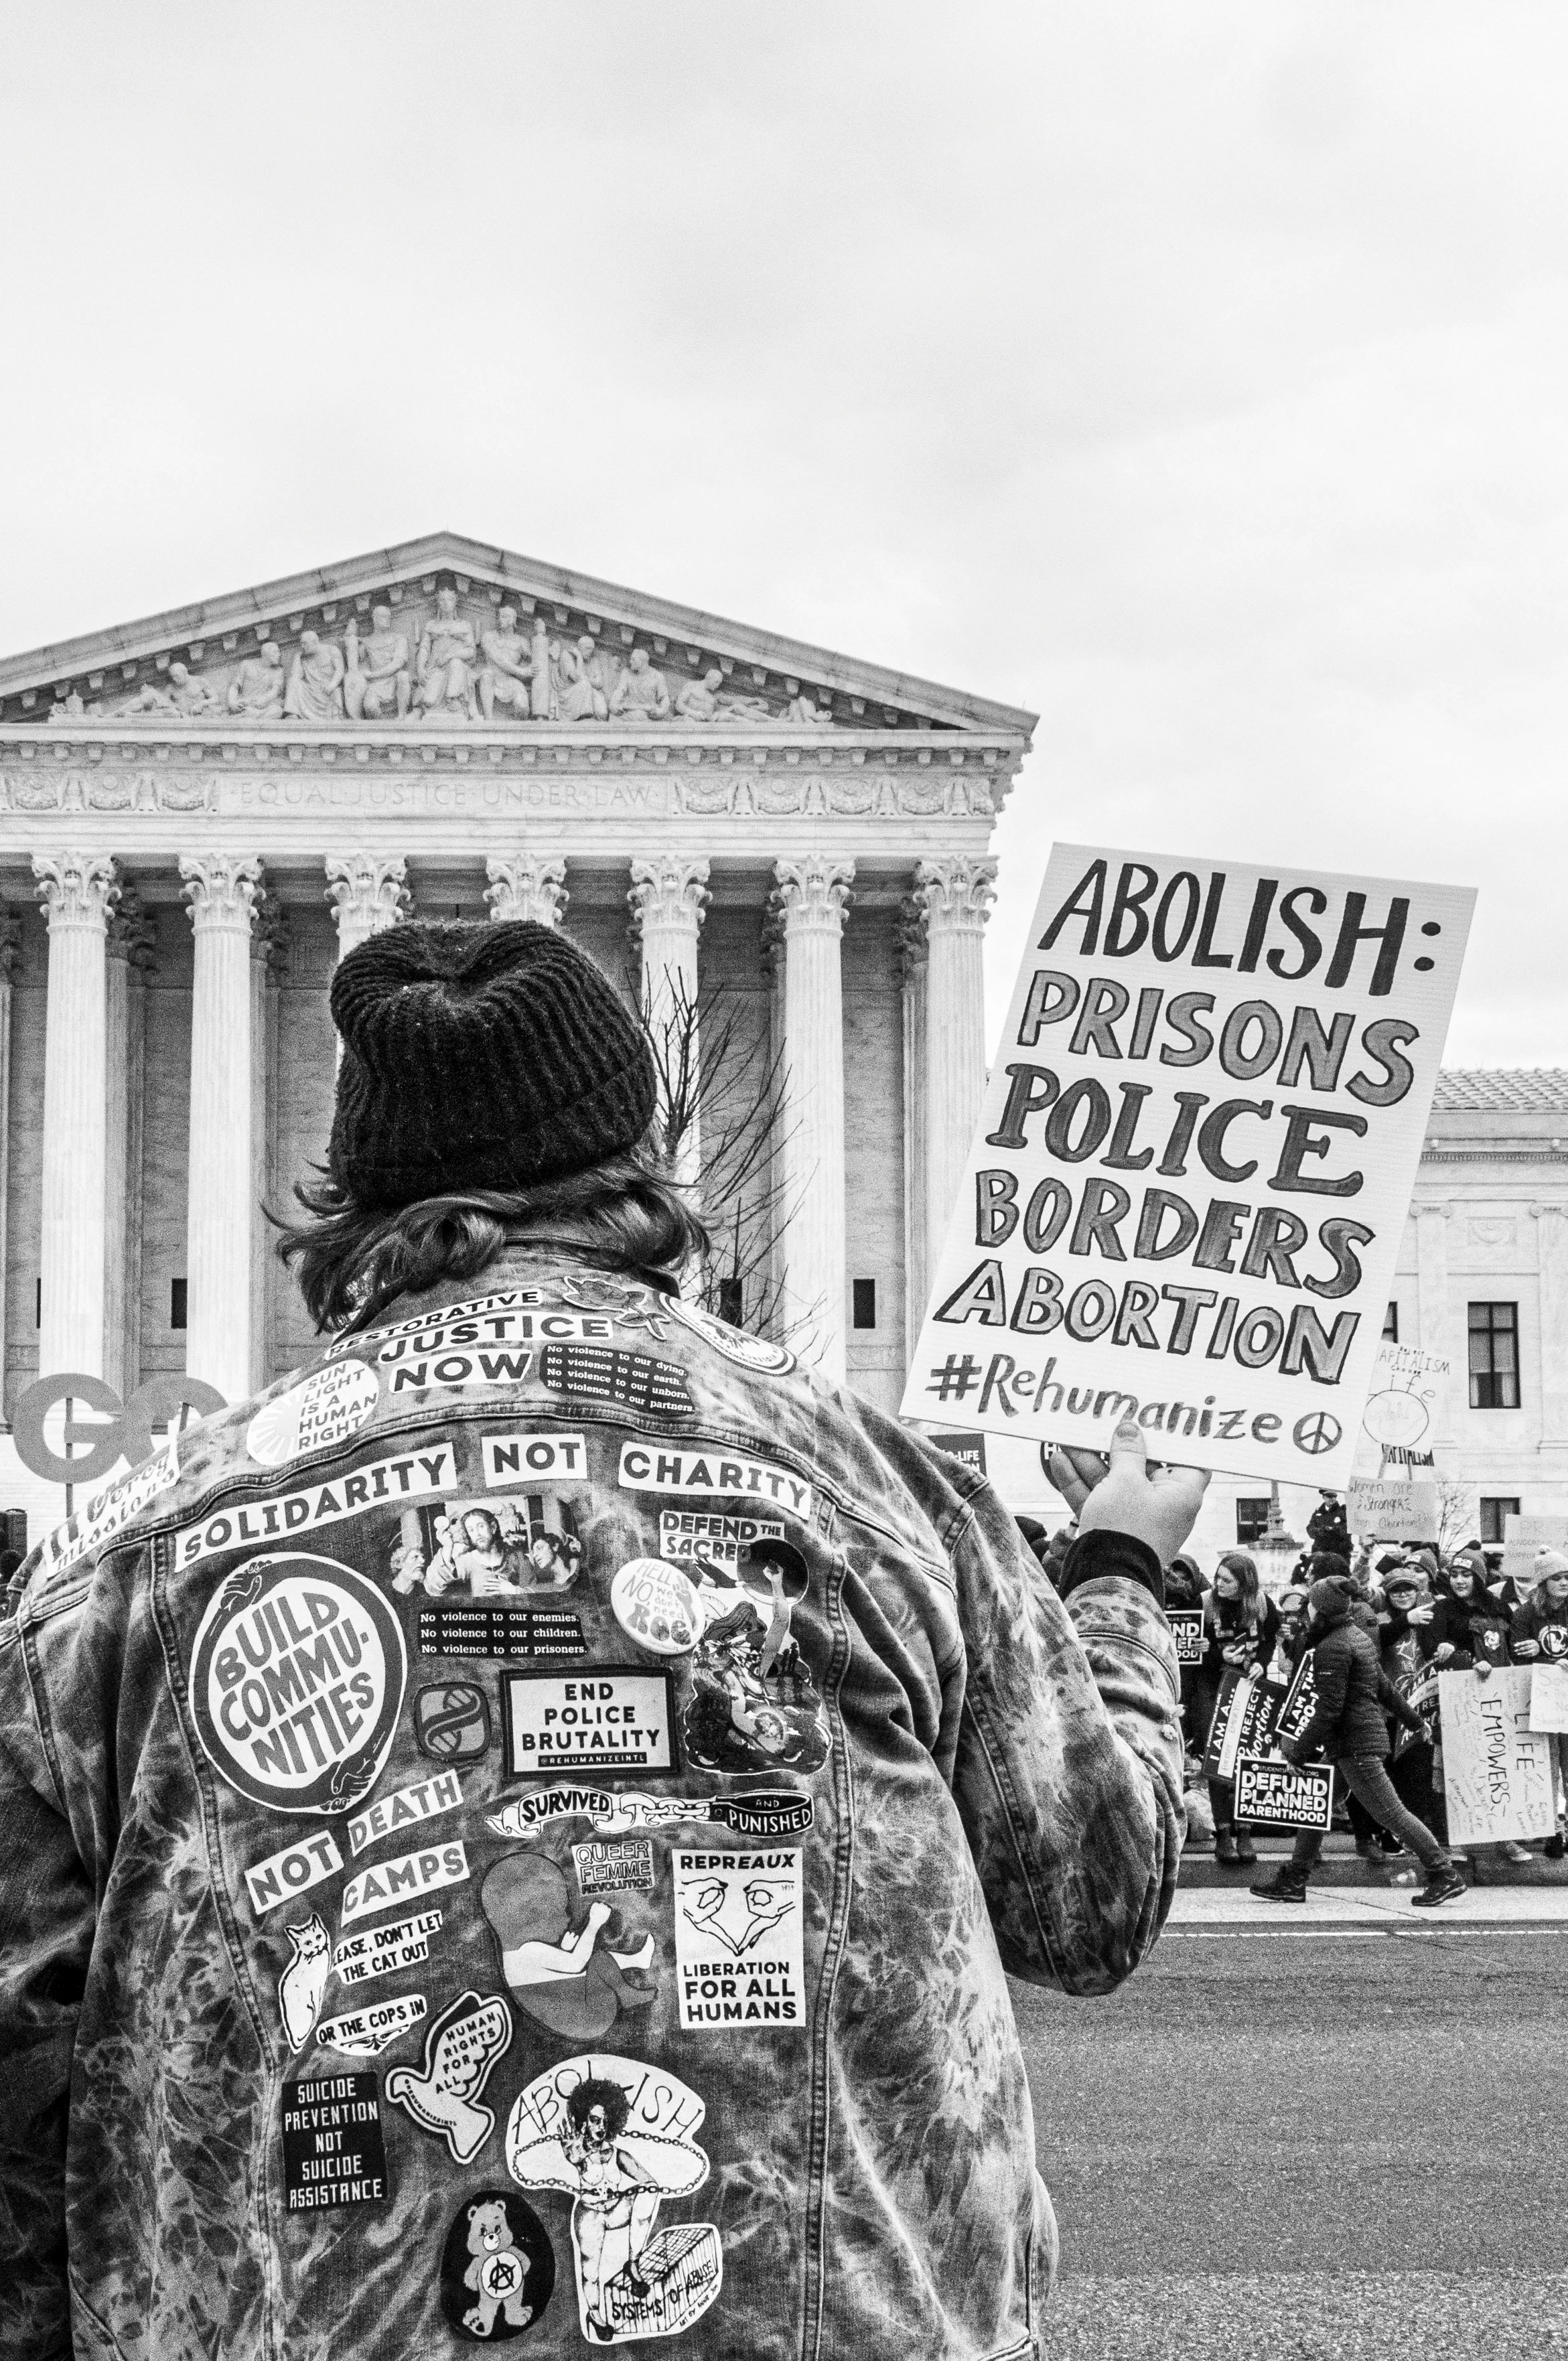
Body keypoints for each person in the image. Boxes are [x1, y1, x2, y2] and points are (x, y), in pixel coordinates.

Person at [0, 918, 1204, 2359]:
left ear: (359, 1194)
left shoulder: (127, 1557)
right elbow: (1088, 1901)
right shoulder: (883, 1487)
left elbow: (26, 2074)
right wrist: (1122, 1566)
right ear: (633, 1167)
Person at [1252, 1575, 1466, 1908]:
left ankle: (1443, 1874)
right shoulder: (1358, 1638)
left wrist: (1298, 1752)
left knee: (1392, 1814)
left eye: (1309, 1605)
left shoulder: (1332, 1648)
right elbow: (1386, 1690)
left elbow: (1329, 1711)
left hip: (1356, 1746)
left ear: (1320, 1611)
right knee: (1316, 1807)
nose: (1306, 1611)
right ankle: (1294, 1879)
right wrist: (1415, 1722)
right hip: (1353, 1743)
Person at [1198, 1551, 1278, 1867]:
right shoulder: (1205, 1604)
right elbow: (1192, 1651)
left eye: (1227, 1580)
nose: (1219, 1584)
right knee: (1219, 1757)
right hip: (1213, 1686)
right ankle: (1224, 1833)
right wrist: (1219, 1658)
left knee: (1248, 1756)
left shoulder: (1261, 1603)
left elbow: (1270, 1639)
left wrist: (1260, 1663)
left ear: (1244, 1583)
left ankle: (1246, 1831)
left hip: (1249, 1683)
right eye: (1217, 1577)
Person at [1509, 1548, 1568, 1859]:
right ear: (1544, 1582)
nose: (1564, 1582)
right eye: (1557, 1577)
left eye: (1567, 1576)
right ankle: (1551, 1830)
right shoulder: (1526, 1614)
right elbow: (1518, 1659)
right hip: (1542, 1698)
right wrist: (1551, 1659)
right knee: (1547, 1767)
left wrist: (1547, 1656)